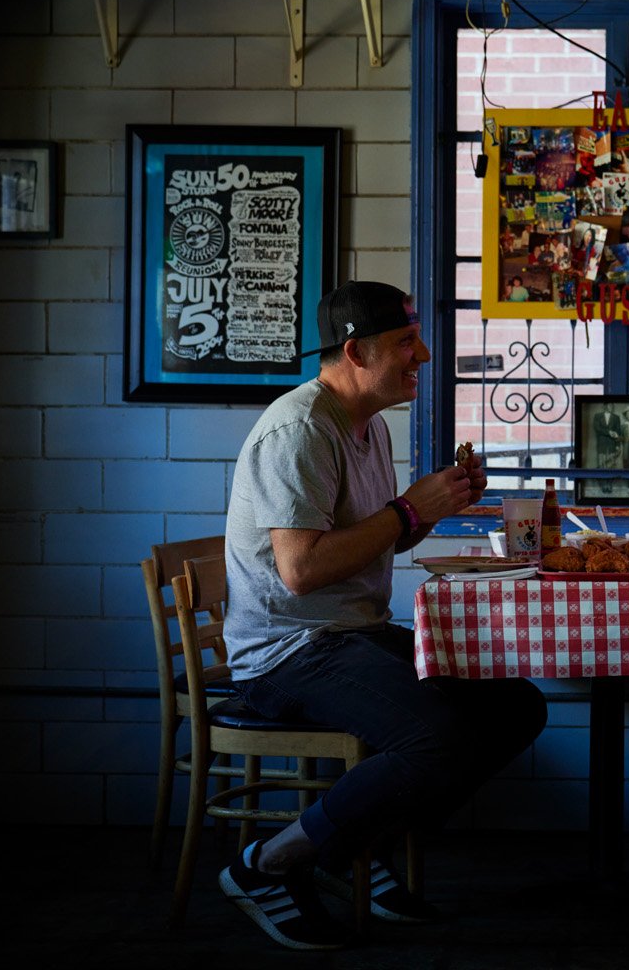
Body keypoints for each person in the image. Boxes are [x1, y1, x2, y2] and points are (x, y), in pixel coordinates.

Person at [220, 281, 547, 951]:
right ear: (354, 351)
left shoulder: (367, 426)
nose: (421, 355)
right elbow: (302, 570)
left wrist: (430, 509)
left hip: (349, 636)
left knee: (516, 707)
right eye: (406, 343)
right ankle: (268, 864)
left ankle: (354, 851)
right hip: (287, 652)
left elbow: (375, 538)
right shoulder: (300, 428)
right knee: (438, 737)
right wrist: (408, 509)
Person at [592, 402, 622, 469]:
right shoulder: (597, 416)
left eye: (612, 406)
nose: (611, 407)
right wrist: (609, 432)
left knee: (612, 465)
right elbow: (597, 428)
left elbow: (618, 432)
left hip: (612, 445)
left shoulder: (616, 417)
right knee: (601, 463)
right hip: (602, 445)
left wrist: (617, 445)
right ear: (605, 406)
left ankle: (610, 479)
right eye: (610, 405)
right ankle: (602, 479)